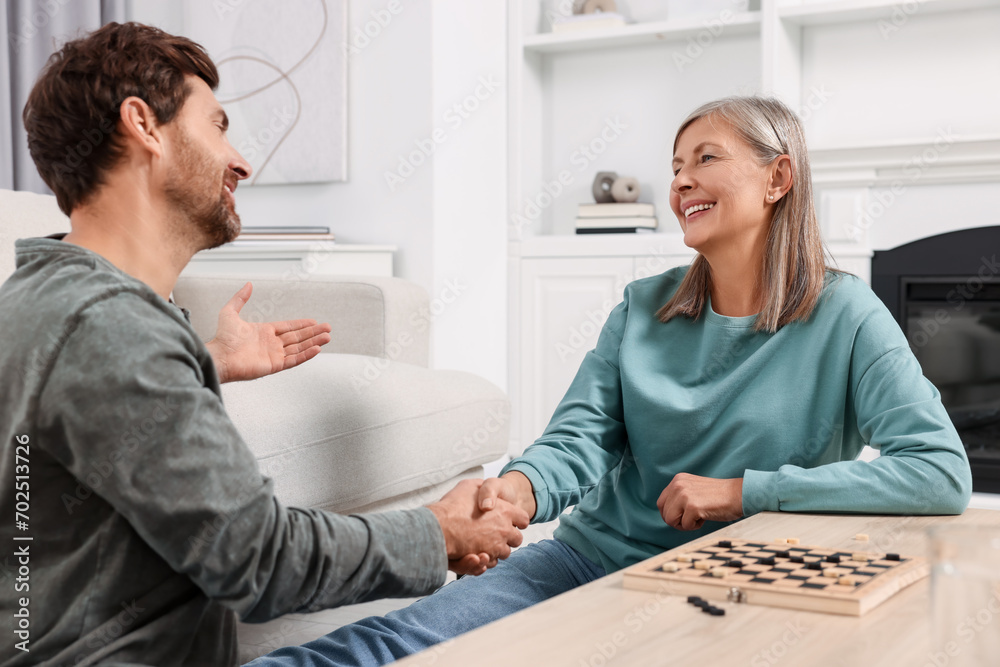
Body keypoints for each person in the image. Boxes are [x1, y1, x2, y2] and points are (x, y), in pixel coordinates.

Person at [248, 95, 973, 666]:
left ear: (778, 177)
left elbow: (939, 471)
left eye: (705, 157)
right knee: (389, 644)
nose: (681, 178)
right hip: (586, 559)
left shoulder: (845, 314)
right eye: (676, 163)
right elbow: (578, 437)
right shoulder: (644, 307)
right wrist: (518, 491)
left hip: (740, 582)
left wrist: (746, 491)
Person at [0, 22, 528, 666]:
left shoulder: (37, 302)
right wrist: (440, 529)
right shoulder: (112, 329)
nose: (241, 161)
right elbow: (257, 559)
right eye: (217, 126)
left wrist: (204, 363)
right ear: (142, 125)